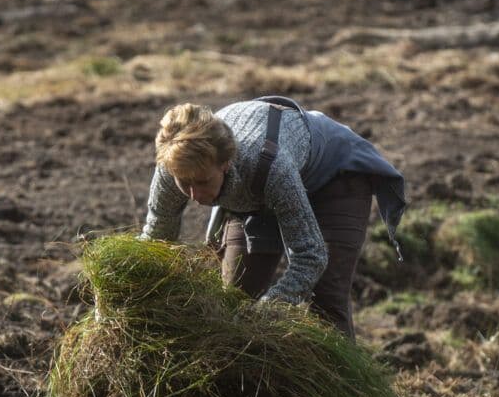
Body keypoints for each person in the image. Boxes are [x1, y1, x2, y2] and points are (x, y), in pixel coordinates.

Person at [140, 95, 407, 340]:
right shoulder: (172, 166)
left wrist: (269, 308)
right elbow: (156, 238)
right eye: (184, 184)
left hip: (332, 180)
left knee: (325, 301)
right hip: (259, 194)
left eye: (202, 182)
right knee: (235, 298)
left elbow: (311, 256)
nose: (194, 195)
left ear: (225, 164)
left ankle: (342, 390)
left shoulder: (266, 164)